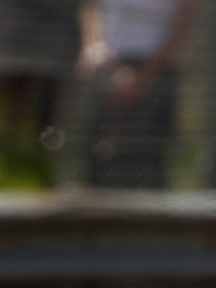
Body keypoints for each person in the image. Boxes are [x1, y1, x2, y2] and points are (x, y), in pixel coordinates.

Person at [78, 0, 193, 188]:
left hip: (155, 72)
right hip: (107, 66)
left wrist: (142, 78)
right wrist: (93, 47)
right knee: (99, 152)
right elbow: (91, 6)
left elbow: (185, 20)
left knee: (144, 157)